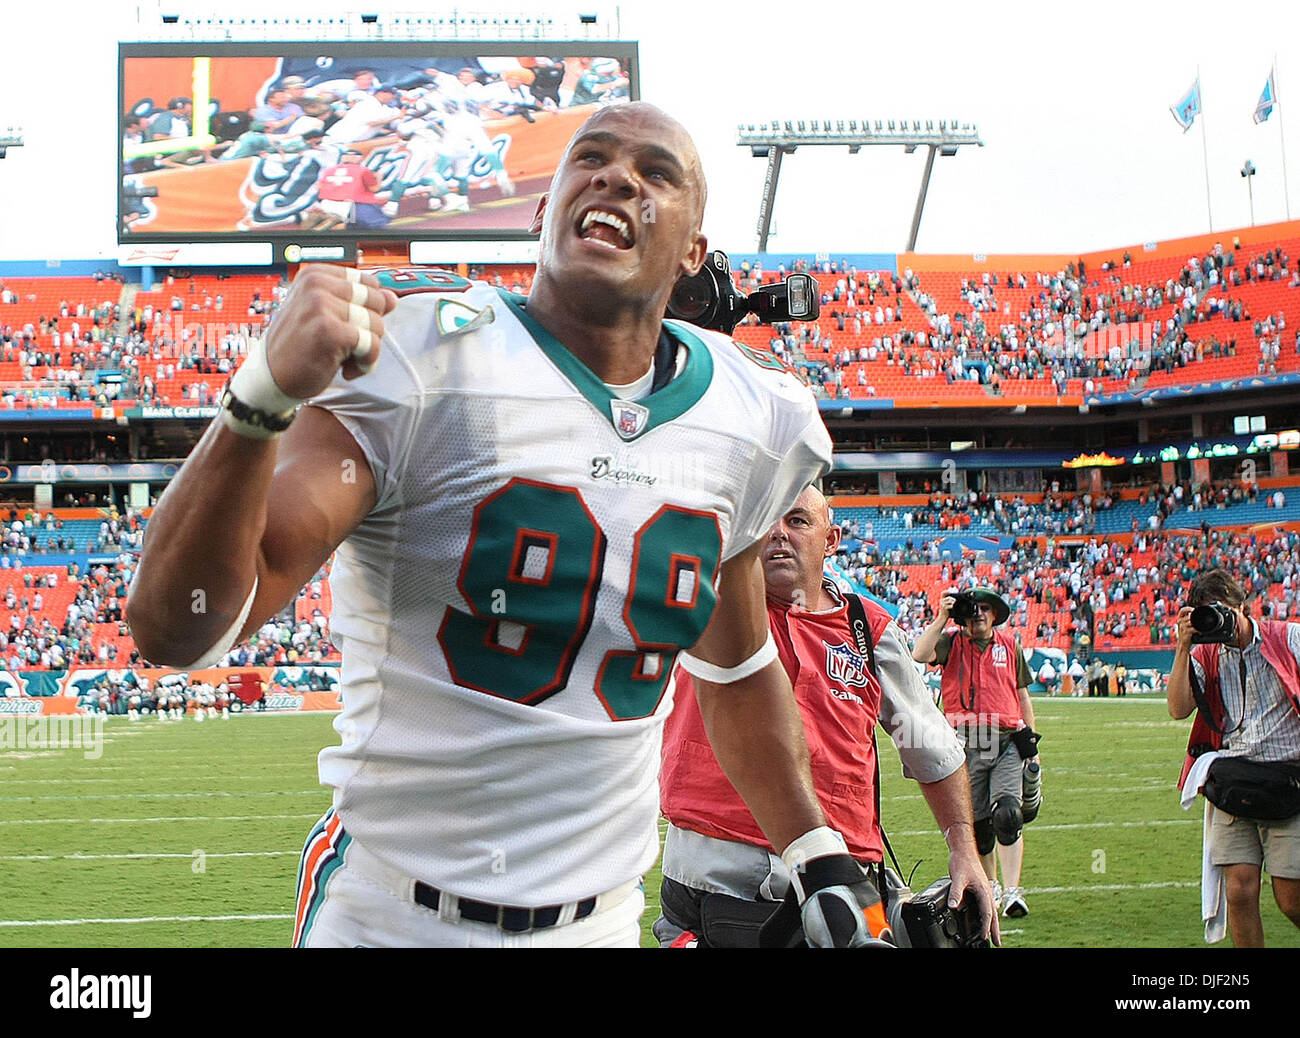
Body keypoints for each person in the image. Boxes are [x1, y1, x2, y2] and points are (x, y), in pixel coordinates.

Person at [128, 102, 884, 949]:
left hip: (598, 925)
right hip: (392, 917)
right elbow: (178, 628)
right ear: (542, 210)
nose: (616, 176)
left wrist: (814, 849)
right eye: (589, 158)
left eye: (656, 172)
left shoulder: (749, 414)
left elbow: (738, 666)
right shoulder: (420, 354)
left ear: (693, 251)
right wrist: (260, 397)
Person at [655, 485, 995, 947]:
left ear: (831, 540)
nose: (778, 534)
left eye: (797, 521)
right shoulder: (703, 604)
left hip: (846, 868)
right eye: (767, 521)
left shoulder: (869, 629)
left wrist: (964, 851)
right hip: (718, 867)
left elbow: (932, 748)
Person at [1169, 568, 1300, 947]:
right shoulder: (1206, 653)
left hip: (1286, 780)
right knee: (1239, 892)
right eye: (1205, 612)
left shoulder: (1287, 637)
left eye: (1221, 610)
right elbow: (1178, 708)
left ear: (1242, 605)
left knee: (1291, 898)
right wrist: (1183, 647)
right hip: (1232, 781)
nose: (1217, 620)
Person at [913, 587, 1040, 918]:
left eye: (985, 608)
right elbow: (918, 654)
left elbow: (1022, 694)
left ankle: (1013, 891)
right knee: (980, 826)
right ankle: (992, 884)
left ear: (995, 614)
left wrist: (1032, 743)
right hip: (965, 742)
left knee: (1008, 815)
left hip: (1007, 739)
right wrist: (942, 617)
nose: (978, 613)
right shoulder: (951, 642)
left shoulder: (1011, 645)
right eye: (973, 608)